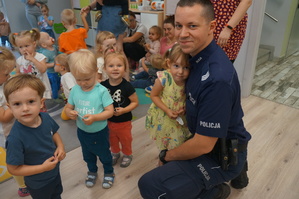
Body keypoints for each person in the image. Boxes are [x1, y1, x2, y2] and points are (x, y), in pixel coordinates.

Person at [138, 0, 251, 198]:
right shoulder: (192, 57)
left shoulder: (216, 78)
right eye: (179, 26)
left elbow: (203, 145)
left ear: (212, 27)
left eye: (192, 26)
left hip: (220, 154)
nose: (182, 34)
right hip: (205, 137)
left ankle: (216, 191)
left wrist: (167, 156)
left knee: (150, 185)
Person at [4, 74, 66, 199]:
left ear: (41, 103)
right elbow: (13, 169)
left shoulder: (46, 118)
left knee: (57, 194)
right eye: (17, 104)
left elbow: (54, 132)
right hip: (38, 184)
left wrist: (60, 146)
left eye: (31, 102)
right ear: (10, 107)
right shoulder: (15, 139)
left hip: (54, 173)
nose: (25, 108)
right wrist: (42, 168)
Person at [64, 49, 115, 189]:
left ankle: (109, 172)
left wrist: (95, 117)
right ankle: (92, 170)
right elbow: (68, 107)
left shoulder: (101, 91)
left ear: (95, 72)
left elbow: (110, 112)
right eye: (78, 79)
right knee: (87, 154)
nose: (83, 83)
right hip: (82, 131)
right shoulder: (75, 90)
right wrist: (70, 113)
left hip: (99, 132)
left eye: (87, 79)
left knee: (104, 154)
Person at [145, 44, 192, 164]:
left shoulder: (189, 80)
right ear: (168, 63)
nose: (180, 72)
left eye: (186, 67)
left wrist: (185, 108)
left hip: (180, 118)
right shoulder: (164, 78)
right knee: (165, 143)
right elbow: (153, 95)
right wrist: (167, 110)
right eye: (176, 66)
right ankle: (163, 162)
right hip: (164, 117)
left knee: (179, 142)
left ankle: (173, 162)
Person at [0, 47, 30, 197]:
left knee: (26, 153)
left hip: (17, 128)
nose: (8, 77)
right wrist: (17, 102)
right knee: (15, 160)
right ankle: (23, 186)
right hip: (7, 134)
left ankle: (29, 175)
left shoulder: (3, 83)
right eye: (6, 74)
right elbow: (4, 117)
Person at [101, 51, 138, 168]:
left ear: (125, 68)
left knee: (125, 139)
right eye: (111, 66)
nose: (115, 69)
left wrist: (124, 110)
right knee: (111, 139)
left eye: (119, 65)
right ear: (105, 68)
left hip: (124, 121)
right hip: (108, 121)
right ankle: (115, 153)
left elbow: (135, 102)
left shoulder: (127, 86)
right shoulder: (102, 86)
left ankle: (127, 154)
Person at [9, 28, 52, 105]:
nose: (24, 49)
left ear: (34, 44)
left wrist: (33, 59)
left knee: (41, 106)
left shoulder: (40, 57)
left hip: (40, 88)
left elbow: (43, 69)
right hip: (28, 88)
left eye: (26, 46)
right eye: (21, 47)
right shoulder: (19, 60)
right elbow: (18, 73)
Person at [54, 53, 77, 120]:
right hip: (70, 100)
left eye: (55, 64)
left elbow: (73, 88)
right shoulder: (66, 75)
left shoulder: (66, 76)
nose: (54, 66)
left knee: (64, 117)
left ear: (62, 67)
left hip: (73, 101)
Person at [38, 32, 60, 99]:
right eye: (48, 38)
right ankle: (54, 98)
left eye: (50, 36)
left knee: (58, 83)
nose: (51, 38)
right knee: (54, 86)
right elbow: (44, 65)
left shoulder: (54, 47)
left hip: (57, 71)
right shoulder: (45, 53)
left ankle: (57, 93)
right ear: (44, 45)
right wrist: (54, 64)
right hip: (51, 73)